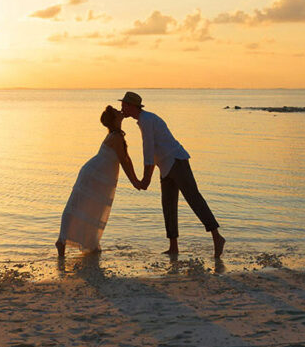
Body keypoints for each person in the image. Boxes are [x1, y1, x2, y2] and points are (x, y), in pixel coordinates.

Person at [119, 91, 225, 258]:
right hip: (165, 165)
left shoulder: (147, 120)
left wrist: (145, 179)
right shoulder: (143, 121)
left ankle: (217, 237)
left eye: (124, 105)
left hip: (177, 161)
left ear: (132, 106)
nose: (122, 108)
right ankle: (173, 247)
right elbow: (153, 153)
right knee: (168, 205)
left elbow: (148, 151)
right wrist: (147, 177)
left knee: (193, 199)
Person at [56, 105, 141, 257]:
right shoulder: (115, 137)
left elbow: (127, 160)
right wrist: (135, 181)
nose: (120, 112)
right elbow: (124, 161)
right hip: (94, 175)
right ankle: (61, 241)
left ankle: (90, 242)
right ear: (115, 119)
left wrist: (136, 180)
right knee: (77, 206)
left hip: (100, 176)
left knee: (94, 209)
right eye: (117, 112)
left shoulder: (116, 135)